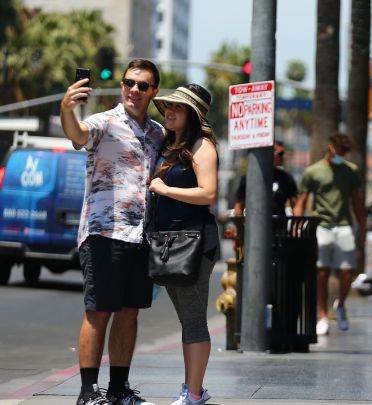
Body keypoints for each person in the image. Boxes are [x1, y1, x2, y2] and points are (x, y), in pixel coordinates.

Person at [61, 59, 163, 405]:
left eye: (142, 85)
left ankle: (119, 390)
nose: (134, 89)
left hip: (141, 236)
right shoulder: (104, 122)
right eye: (129, 82)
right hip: (104, 232)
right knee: (99, 311)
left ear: (154, 92)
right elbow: (76, 135)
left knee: (130, 312)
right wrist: (67, 108)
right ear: (122, 86)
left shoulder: (158, 133)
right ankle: (88, 392)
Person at [149, 84, 219, 405]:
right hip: (168, 242)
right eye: (168, 107)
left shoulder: (202, 146)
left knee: (193, 320)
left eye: (176, 108)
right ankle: (191, 389)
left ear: (192, 113)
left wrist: (165, 190)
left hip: (194, 242)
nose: (169, 111)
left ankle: (193, 393)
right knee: (186, 320)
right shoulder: (169, 144)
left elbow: (208, 194)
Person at [293, 133, 366, 335]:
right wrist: (298, 225)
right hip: (321, 225)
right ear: (330, 147)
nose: (341, 155)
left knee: (346, 270)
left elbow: (357, 202)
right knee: (322, 271)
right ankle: (322, 315)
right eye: (339, 151)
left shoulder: (351, 171)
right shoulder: (313, 171)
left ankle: (340, 304)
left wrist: (362, 229)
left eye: (344, 153)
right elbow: (301, 201)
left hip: (344, 225)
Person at [234, 140, 298, 217]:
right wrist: (238, 226)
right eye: (280, 154)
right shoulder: (249, 177)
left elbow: (295, 205)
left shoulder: (286, 178)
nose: (283, 157)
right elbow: (239, 205)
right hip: (254, 224)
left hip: (279, 225)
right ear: (269, 153)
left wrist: (296, 226)